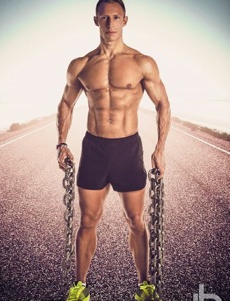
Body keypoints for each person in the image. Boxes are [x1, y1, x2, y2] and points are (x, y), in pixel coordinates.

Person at [57, 0, 170, 300]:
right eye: (104, 18)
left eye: (116, 17)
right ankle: (79, 288)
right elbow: (66, 104)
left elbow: (162, 104)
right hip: (94, 149)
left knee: (136, 220)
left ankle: (145, 285)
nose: (110, 24)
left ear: (125, 20)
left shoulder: (142, 62)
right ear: (96, 21)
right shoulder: (80, 65)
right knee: (87, 221)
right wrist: (62, 142)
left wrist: (160, 148)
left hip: (127, 149)